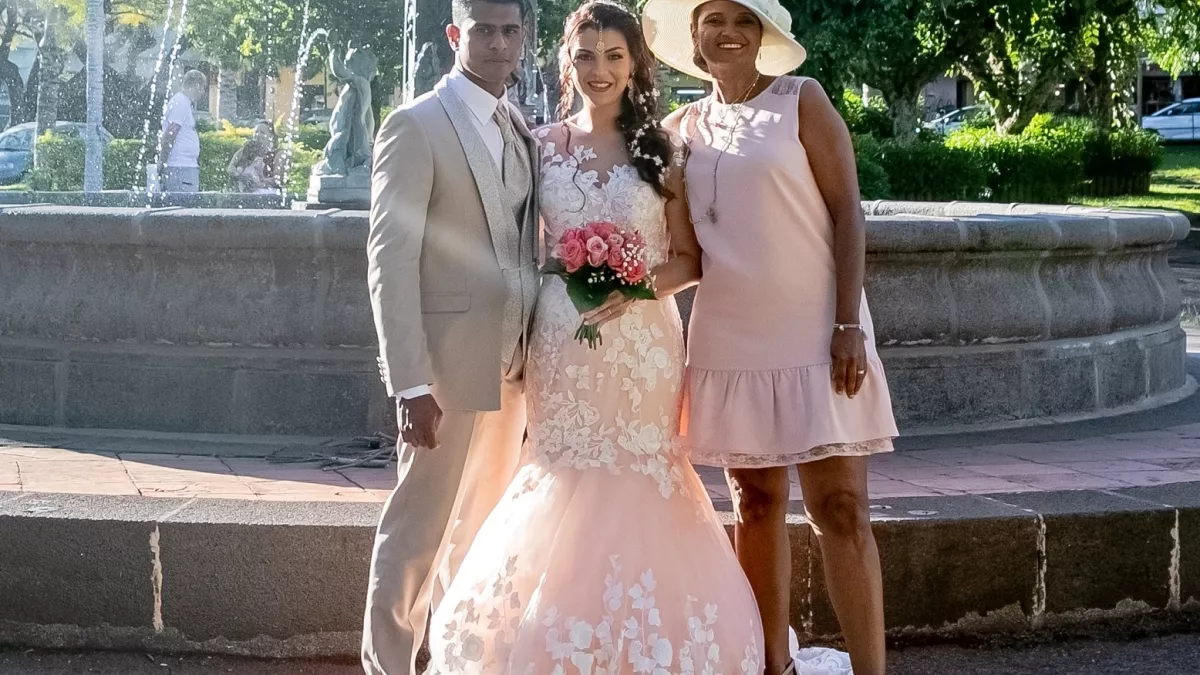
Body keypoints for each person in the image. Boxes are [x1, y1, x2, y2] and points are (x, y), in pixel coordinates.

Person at [424, 2, 764, 672]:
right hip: (561, 340)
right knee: (560, 467)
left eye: (613, 56)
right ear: (566, 63)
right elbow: (510, 244)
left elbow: (691, 259)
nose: (598, 70)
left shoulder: (664, 149)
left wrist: (632, 286)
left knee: (640, 472)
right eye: (585, 56)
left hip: (643, 345)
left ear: (635, 64)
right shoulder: (539, 146)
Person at [648, 0, 900, 674]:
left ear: (764, 35)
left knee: (840, 508)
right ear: (694, 37)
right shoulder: (678, 130)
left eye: (744, 20)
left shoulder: (801, 100)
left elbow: (848, 213)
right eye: (715, 20)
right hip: (730, 336)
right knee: (755, 506)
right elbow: (665, 230)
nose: (729, 32)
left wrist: (848, 323)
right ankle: (771, 667)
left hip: (818, 331)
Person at [361, 0, 540, 672]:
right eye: (484, 30)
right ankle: (387, 664)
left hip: (512, 367)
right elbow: (390, 259)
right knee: (417, 535)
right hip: (442, 371)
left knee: (482, 536)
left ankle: (456, 660)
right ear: (455, 34)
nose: (498, 44)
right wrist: (410, 382)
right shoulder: (416, 125)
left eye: (510, 31)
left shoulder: (519, 127)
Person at [158, 69, 207, 193]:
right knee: (184, 202)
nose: (203, 92)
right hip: (180, 166)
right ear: (197, 85)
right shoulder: (181, 102)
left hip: (183, 166)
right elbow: (170, 133)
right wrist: (162, 162)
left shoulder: (183, 102)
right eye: (203, 87)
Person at [226, 121, 278, 194]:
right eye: (256, 132)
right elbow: (230, 168)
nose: (258, 135)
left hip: (266, 192)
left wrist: (260, 183)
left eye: (262, 132)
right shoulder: (244, 150)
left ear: (271, 137)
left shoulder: (276, 155)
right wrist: (241, 176)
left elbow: (278, 179)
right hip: (243, 192)